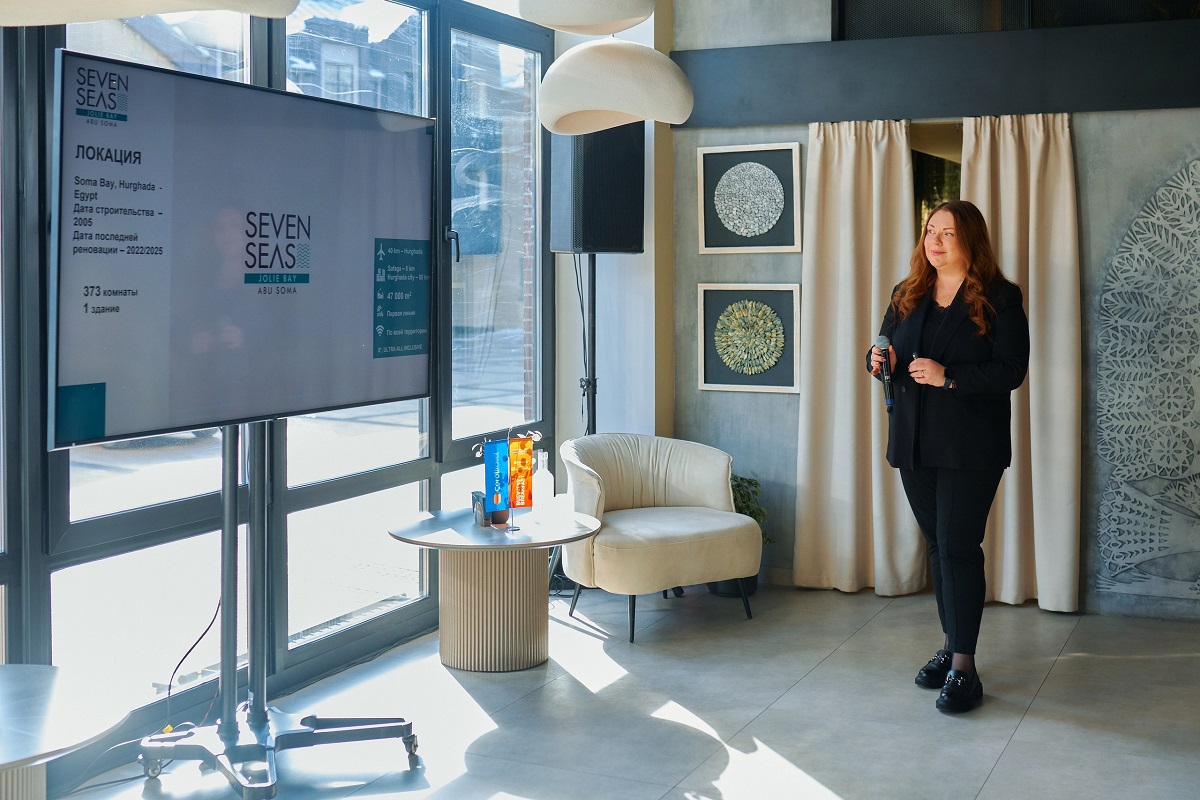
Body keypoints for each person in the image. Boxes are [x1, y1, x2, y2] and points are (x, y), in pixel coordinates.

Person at [866, 200, 1029, 713]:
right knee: (939, 546)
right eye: (930, 231)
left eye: (947, 234)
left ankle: (964, 668)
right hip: (913, 440)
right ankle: (950, 644)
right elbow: (884, 350)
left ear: (970, 240)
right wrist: (879, 360)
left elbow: (1012, 369)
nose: (934, 242)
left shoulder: (1000, 297)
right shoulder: (907, 292)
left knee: (957, 546)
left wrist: (949, 377)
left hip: (969, 445)